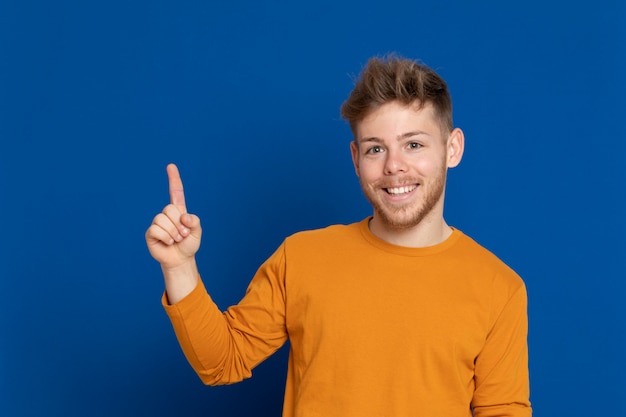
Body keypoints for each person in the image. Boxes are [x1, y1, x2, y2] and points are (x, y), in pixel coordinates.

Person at [145, 55, 532, 417]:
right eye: (375, 149)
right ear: (355, 159)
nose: (394, 166)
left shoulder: (499, 288)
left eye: (414, 144)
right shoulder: (301, 257)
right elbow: (221, 361)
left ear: (453, 148)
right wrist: (180, 267)